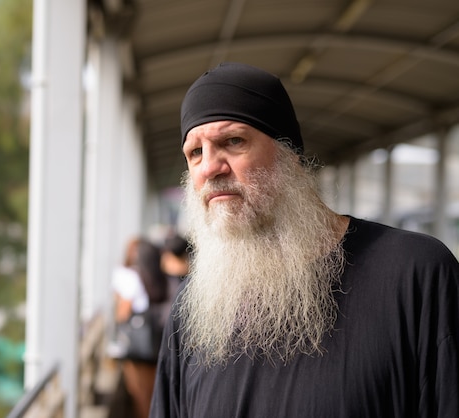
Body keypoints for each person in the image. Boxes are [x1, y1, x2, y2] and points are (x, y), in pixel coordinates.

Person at [149, 62, 459, 417]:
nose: (209, 167)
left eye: (233, 141)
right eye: (195, 153)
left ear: (289, 155)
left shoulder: (414, 273)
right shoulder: (192, 310)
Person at [112, 237, 169, 418]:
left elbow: (123, 312)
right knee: (154, 392)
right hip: (156, 342)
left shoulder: (131, 277)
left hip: (137, 348)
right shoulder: (160, 277)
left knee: (140, 395)